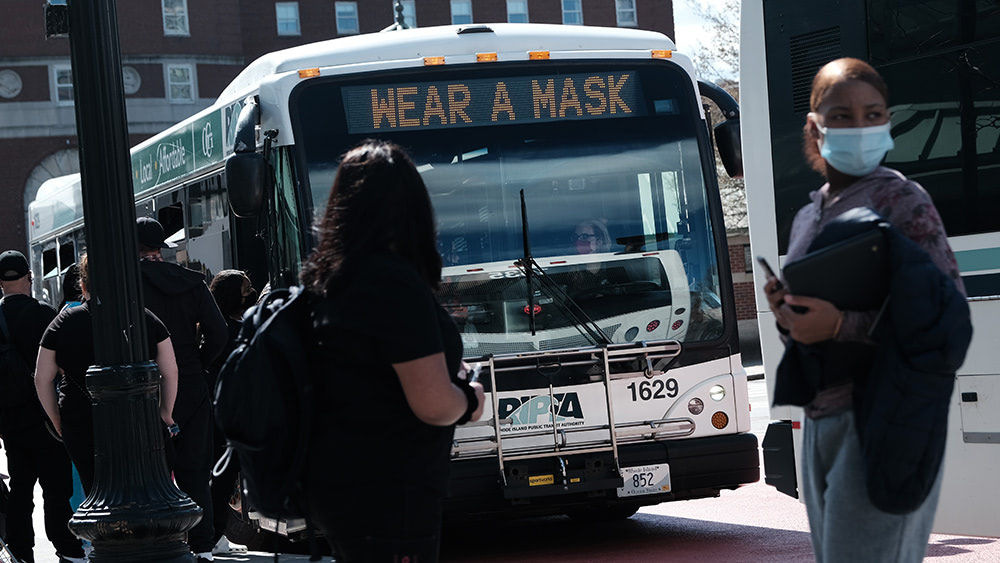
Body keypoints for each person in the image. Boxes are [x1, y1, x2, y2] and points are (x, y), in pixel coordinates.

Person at [762, 58, 966, 562]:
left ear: (888, 121)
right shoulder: (810, 214)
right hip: (821, 420)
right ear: (815, 127)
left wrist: (840, 324)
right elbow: (815, 326)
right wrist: (789, 314)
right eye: (843, 115)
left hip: (884, 416)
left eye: (873, 114)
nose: (860, 127)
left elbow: (947, 324)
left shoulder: (903, 201)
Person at [299, 140, 485, 563]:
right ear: (413, 209)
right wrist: (473, 397)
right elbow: (434, 405)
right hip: (392, 489)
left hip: (342, 486)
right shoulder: (391, 282)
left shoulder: (328, 279)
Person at [35, 253, 179, 494]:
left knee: (97, 493)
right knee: (144, 491)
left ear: (83, 285)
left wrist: (57, 419)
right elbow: (170, 370)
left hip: (81, 419)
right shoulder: (144, 318)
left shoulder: (62, 323)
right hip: (139, 416)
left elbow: (42, 378)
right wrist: (165, 413)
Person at [136, 217, 228, 563]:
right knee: (195, 467)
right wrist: (197, 365)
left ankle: (161, 541)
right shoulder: (192, 283)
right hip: (189, 382)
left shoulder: (126, 285)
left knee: (150, 467)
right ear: (162, 247)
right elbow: (219, 333)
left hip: (142, 385)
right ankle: (202, 543)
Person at [0, 250, 86, 563]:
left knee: (21, 489)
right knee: (56, 489)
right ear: (30, 276)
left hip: (10, 421)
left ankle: (21, 551)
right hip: (48, 416)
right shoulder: (45, 313)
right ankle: (66, 546)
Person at [206, 269, 255, 554]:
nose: (251, 294)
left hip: (216, 410)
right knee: (223, 477)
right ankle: (213, 536)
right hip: (228, 413)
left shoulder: (213, 326)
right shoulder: (234, 330)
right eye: (246, 289)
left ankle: (213, 535)